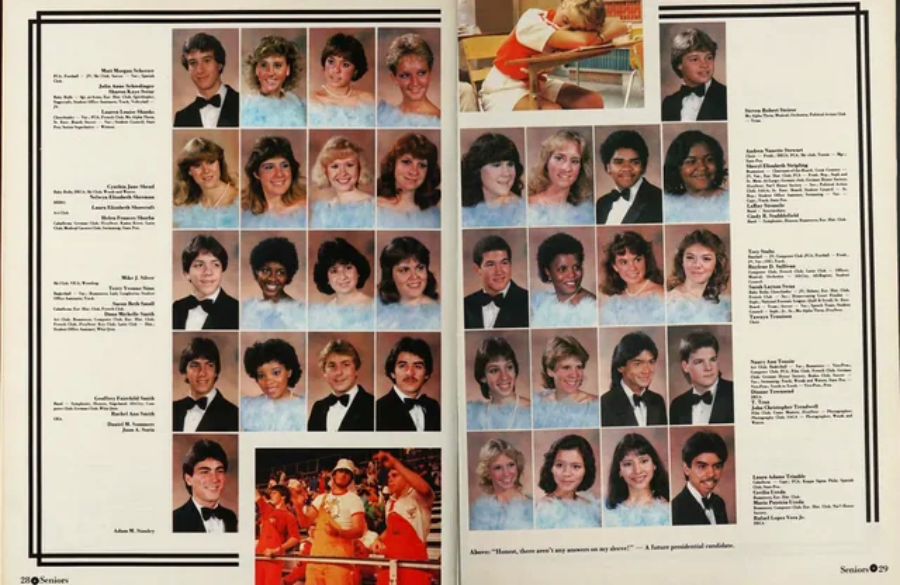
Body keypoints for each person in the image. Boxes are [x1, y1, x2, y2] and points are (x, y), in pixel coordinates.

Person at [479, 0, 627, 111]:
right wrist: (596, 36)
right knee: (552, 110)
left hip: (538, 82)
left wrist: (596, 36)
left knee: (593, 101)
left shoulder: (567, 25)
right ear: (563, 4)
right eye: (565, 20)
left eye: (576, 28)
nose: (566, 29)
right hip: (504, 87)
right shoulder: (532, 20)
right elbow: (583, 40)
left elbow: (620, 25)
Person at [294, 459, 367, 585]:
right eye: (340, 471)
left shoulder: (354, 500)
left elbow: (359, 530)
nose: (343, 475)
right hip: (316, 559)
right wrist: (298, 508)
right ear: (334, 474)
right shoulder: (321, 498)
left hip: (339, 562)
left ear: (351, 478)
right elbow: (305, 523)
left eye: (347, 473)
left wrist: (338, 532)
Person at [528, 130, 595, 225]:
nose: (567, 168)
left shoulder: (587, 213)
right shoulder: (528, 206)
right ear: (546, 162)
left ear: (581, 168)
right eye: (559, 158)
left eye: (575, 161)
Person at [600, 331, 667, 427]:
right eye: (638, 363)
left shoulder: (658, 401)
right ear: (620, 367)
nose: (647, 371)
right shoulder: (606, 404)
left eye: (651, 362)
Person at [595, 130, 662, 224]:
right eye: (619, 162)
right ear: (608, 167)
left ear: (643, 167)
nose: (626, 168)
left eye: (634, 162)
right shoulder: (601, 204)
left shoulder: (659, 200)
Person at [173, 235, 239, 330]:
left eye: (215, 265)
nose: (208, 272)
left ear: (222, 270)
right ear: (187, 273)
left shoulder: (237, 311)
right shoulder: (176, 308)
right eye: (199, 265)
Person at [173, 337, 239, 432]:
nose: (202, 373)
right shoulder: (172, 410)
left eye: (209, 365)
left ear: (216, 372)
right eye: (195, 365)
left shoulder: (234, 414)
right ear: (184, 372)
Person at [460, 132, 526, 227]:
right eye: (497, 165)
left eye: (510, 164)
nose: (506, 173)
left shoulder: (523, 212)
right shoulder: (463, 210)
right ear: (477, 170)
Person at [598, 231, 665, 325]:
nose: (632, 268)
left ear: (645, 260)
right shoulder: (613, 300)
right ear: (615, 267)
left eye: (637, 260)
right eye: (624, 262)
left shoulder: (660, 295)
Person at [309, 33, 376, 127]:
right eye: (331, 62)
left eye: (345, 65)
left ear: (355, 71)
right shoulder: (311, 102)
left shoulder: (370, 100)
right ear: (324, 64)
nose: (336, 70)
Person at [174, 32, 240, 127]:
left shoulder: (244, 105)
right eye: (193, 63)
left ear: (220, 65)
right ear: (187, 68)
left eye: (207, 60)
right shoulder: (181, 118)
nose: (200, 70)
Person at [531, 233, 598, 327]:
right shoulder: (544, 304)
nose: (572, 274)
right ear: (548, 272)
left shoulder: (592, 308)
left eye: (576, 267)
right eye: (563, 269)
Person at [463, 235, 529, 329]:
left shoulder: (528, 301)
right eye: (490, 264)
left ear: (510, 265)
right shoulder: (465, 304)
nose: (499, 271)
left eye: (504, 262)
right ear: (477, 269)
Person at [535, 434, 601, 528]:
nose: (566, 473)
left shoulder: (590, 507)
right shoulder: (544, 508)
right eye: (560, 465)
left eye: (576, 466)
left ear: (586, 470)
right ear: (550, 468)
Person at [604, 433, 670, 527]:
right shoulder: (607, 511)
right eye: (628, 464)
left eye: (643, 461)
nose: (637, 470)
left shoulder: (668, 510)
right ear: (619, 471)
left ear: (654, 465)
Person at [307, 339, 375, 431]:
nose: (338, 372)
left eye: (346, 365)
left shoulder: (374, 406)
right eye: (332, 366)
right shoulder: (318, 408)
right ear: (324, 372)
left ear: (356, 370)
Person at [666, 229, 731, 323]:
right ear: (682, 262)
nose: (697, 265)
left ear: (717, 264)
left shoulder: (721, 304)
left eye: (706, 259)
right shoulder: (670, 303)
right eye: (690, 257)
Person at [376, 133, 441, 228]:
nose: (414, 172)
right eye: (407, 162)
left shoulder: (434, 215)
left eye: (421, 165)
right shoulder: (375, 208)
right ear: (393, 164)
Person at [663, 130, 729, 222]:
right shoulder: (666, 204)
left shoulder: (729, 202)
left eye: (709, 159)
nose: (702, 167)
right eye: (691, 161)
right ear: (677, 168)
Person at [661, 28, 727, 122]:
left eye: (708, 58)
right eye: (695, 59)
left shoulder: (726, 97)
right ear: (679, 64)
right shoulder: (668, 104)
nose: (704, 65)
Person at [241, 135, 307, 228]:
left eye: (284, 165)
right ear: (256, 174)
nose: (279, 174)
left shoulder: (306, 210)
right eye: (269, 167)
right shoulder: (245, 214)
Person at [172, 137, 239, 229]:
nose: (206, 170)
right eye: (197, 165)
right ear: (189, 171)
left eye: (210, 162)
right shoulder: (187, 209)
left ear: (219, 164)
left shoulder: (241, 202)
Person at [669, 330, 734, 425]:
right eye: (699, 362)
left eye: (712, 360)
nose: (708, 368)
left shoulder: (735, 392)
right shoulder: (677, 405)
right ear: (685, 366)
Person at [376, 236, 441, 331]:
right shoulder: (376, 307)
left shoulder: (437, 315)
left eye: (420, 268)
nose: (414, 276)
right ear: (390, 275)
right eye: (404, 270)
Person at [309, 238, 374, 330]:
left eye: (348, 268)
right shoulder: (324, 313)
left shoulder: (373, 306)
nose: (343, 276)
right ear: (326, 278)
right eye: (334, 271)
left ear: (358, 271)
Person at [467, 337, 532, 430]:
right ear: (482, 377)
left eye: (509, 367)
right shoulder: (473, 415)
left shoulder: (531, 411)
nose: (504, 376)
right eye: (494, 370)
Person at [309, 135, 375, 228]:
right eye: (335, 166)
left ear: (360, 168)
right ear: (325, 171)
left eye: (349, 165)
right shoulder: (324, 211)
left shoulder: (373, 208)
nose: (342, 172)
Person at [533, 336, 599, 429]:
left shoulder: (595, 406)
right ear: (550, 371)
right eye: (566, 367)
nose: (574, 374)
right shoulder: (536, 403)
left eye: (579, 367)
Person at [376, 337, 440, 431]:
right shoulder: (377, 410)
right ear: (392, 373)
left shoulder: (433, 406)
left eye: (418, 366)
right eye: (402, 366)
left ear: (426, 374)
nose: (410, 373)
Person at [241, 338, 306, 431]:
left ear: (289, 372)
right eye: (261, 375)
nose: (268, 381)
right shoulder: (248, 407)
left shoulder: (303, 408)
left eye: (276, 373)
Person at [173, 439, 238, 532]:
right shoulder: (174, 520)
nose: (215, 479)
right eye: (205, 472)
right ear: (188, 479)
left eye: (219, 471)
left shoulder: (231, 517)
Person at [241, 34, 306, 127]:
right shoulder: (244, 107)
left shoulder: (297, 104)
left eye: (277, 65)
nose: (270, 72)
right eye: (264, 65)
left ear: (288, 70)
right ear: (256, 69)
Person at [242, 237, 306, 330]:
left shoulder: (298, 312)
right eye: (265, 270)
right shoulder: (251, 310)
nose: (272, 278)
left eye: (280, 272)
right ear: (256, 272)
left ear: (288, 276)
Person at [470, 438, 534, 530]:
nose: (506, 473)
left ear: (517, 466)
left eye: (511, 465)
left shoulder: (532, 506)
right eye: (498, 467)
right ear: (487, 472)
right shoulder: (480, 509)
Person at [378, 33, 440, 126]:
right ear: (394, 78)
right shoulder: (382, 118)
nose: (414, 82)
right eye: (405, 75)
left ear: (430, 74)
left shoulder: (441, 120)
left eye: (421, 73)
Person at [672, 430, 730, 525]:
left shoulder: (719, 503)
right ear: (686, 469)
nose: (711, 474)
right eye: (702, 466)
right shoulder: (675, 509)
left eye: (717, 466)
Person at [255, 485, 301, 585]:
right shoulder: (268, 511)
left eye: (274, 493)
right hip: (259, 556)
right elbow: (256, 495)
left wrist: (277, 550)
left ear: (283, 497)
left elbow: (295, 538)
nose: (271, 495)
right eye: (271, 493)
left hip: (274, 559)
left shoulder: (289, 516)